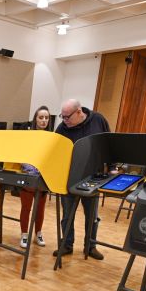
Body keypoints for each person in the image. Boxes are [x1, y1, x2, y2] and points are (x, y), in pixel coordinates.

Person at [53, 99, 110, 259]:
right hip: (70, 178)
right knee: (67, 215)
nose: (64, 121)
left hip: (93, 178)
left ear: (79, 112)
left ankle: (90, 246)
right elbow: (55, 152)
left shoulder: (99, 120)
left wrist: (112, 167)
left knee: (92, 216)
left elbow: (108, 143)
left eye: (67, 117)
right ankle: (66, 244)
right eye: (62, 117)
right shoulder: (62, 128)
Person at [18, 106, 51, 248]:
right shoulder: (27, 136)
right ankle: (24, 235)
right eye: (41, 117)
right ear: (35, 119)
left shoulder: (51, 138)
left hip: (44, 179)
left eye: (46, 118)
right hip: (28, 178)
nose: (44, 120)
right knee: (26, 208)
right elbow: (22, 156)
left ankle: (38, 233)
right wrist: (32, 170)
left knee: (40, 209)